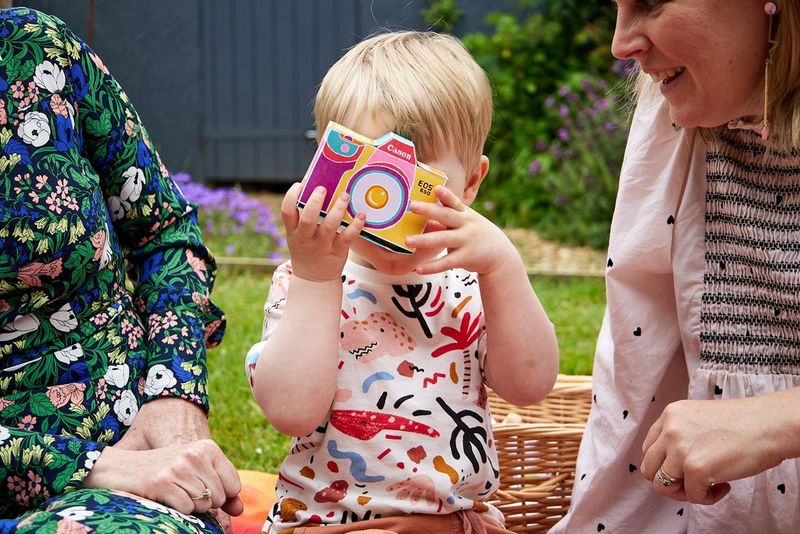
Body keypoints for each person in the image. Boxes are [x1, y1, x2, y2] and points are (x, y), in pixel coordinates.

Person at [245, 31, 559, 533]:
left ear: (472, 183)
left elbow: (530, 385)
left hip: (454, 523)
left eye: (419, 184)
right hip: (330, 523)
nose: (386, 205)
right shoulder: (306, 282)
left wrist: (504, 268)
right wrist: (316, 277)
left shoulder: (473, 284)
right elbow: (291, 412)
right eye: (370, 178)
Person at [552, 0, 800, 532]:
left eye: (650, 3)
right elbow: (631, 382)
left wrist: (780, 420)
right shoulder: (674, 117)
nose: (621, 44)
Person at [0, 7, 242, 532]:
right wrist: (97, 468)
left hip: (134, 445)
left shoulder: (35, 48)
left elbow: (164, 232)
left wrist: (175, 398)